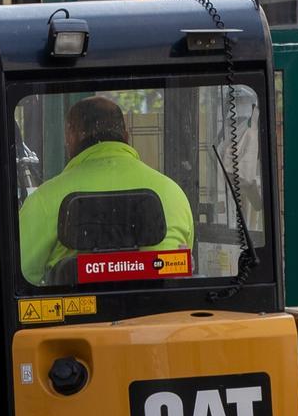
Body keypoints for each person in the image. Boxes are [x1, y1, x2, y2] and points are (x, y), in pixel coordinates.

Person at [18, 96, 195, 285]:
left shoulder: (46, 199)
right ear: (126, 137)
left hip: (76, 314)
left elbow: (10, 273)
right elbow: (181, 268)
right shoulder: (173, 194)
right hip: (160, 312)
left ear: (70, 138)